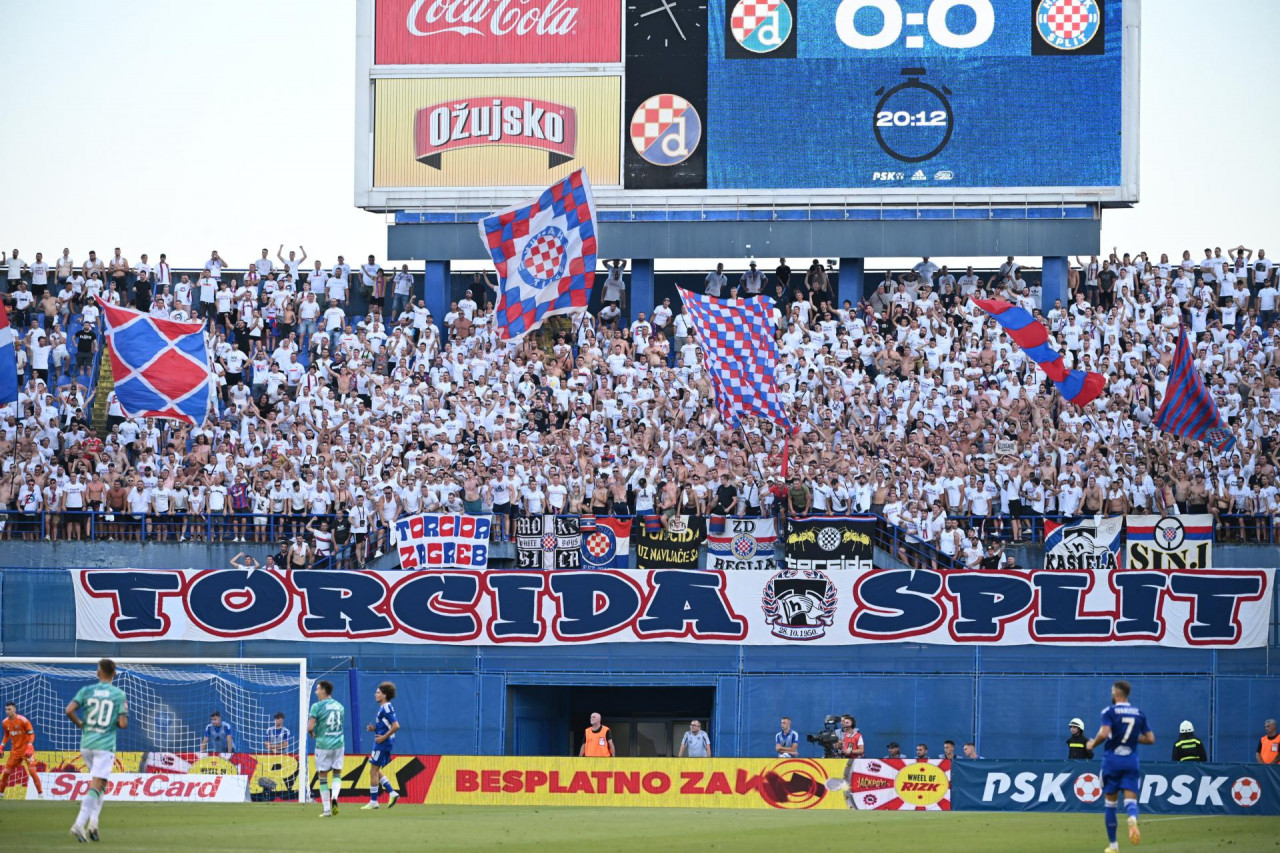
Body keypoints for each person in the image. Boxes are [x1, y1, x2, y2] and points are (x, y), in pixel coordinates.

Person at [1085, 680, 1154, 852]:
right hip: (1131, 760)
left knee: (1110, 804)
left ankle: (1113, 846)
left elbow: (1105, 732)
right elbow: (1150, 739)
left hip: (1112, 760)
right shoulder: (1139, 713)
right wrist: (1132, 737)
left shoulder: (1109, 711)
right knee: (1130, 800)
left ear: (1116, 693)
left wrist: (1093, 744)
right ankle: (1131, 817)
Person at [65, 658, 129, 843]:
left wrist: (80, 724)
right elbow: (123, 724)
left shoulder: (87, 691)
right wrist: (111, 722)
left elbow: (69, 710)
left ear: (98, 673)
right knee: (97, 785)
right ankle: (79, 823)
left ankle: (93, 824)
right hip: (104, 745)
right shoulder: (118, 694)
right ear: (114, 673)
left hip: (86, 744)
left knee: (101, 784)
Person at [309, 679, 346, 817]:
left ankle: (326, 810)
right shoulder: (340, 706)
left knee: (322, 777)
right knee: (337, 774)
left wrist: (312, 733)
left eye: (317, 689)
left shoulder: (317, 706)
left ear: (323, 691)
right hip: (338, 744)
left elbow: (310, 727)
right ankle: (335, 796)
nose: (316, 691)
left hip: (323, 745)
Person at [362, 681, 401, 810]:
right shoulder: (384, 708)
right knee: (376, 770)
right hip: (382, 742)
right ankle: (392, 792)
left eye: (378, 692)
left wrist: (384, 737)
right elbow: (387, 726)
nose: (375, 694)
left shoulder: (386, 708)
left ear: (384, 695)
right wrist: (374, 729)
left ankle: (374, 802)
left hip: (383, 743)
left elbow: (396, 726)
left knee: (373, 771)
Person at [0, 701, 44, 798]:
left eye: (9, 709)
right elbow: (6, 735)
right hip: (15, 752)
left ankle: (40, 795)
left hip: (27, 751)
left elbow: (31, 734)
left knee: (32, 771)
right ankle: (1, 794)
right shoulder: (4, 722)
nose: (7, 711)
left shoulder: (23, 720)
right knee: (7, 772)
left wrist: (29, 746)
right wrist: (1, 746)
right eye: (6, 709)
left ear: (14, 709)